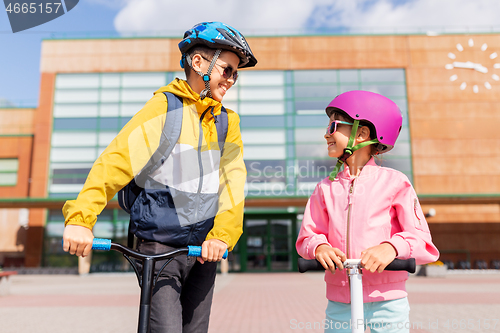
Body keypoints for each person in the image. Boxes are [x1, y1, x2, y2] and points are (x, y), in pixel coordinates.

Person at [62, 21, 257, 332]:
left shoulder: (227, 123)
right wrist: (80, 220)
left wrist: (222, 236)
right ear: (198, 63)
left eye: (236, 73)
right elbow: (115, 162)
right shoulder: (164, 108)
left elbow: (233, 185)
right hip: (160, 248)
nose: (232, 80)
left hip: (204, 251)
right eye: (227, 70)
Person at [296, 90, 439, 333]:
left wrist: (392, 247)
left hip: (387, 302)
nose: (326, 134)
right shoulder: (324, 188)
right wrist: (319, 247)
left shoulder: (395, 183)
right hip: (340, 302)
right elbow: (307, 236)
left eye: (333, 126)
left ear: (361, 133)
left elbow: (423, 242)